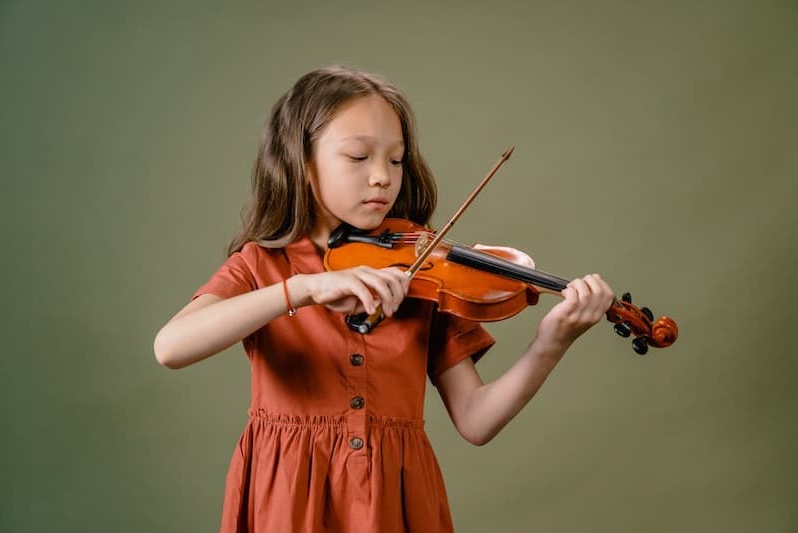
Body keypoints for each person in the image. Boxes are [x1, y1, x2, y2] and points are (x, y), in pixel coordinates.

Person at [154, 65, 614, 532]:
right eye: (358, 157)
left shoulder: (421, 268)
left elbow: (477, 421)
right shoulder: (262, 265)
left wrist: (551, 343)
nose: (382, 177)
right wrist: (305, 289)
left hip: (396, 501)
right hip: (288, 499)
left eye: (395, 161)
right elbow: (171, 346)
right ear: (301, 161)